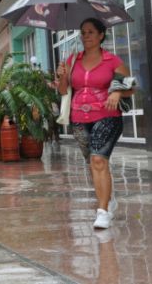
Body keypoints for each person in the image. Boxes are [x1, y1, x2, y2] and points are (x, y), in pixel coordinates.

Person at [57, 18, 134, 229]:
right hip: (79, 119)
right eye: (83, 32)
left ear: (101, 35)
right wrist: (62, 76)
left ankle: (103, 212)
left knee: (99, 160)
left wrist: (117, 92)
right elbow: (63, 91)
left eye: (91, 32)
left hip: (107, 115)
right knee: (93, 163)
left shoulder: (112, 61)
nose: (86, 36)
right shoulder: (72, 60)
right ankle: (108, 197)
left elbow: (130, 87)